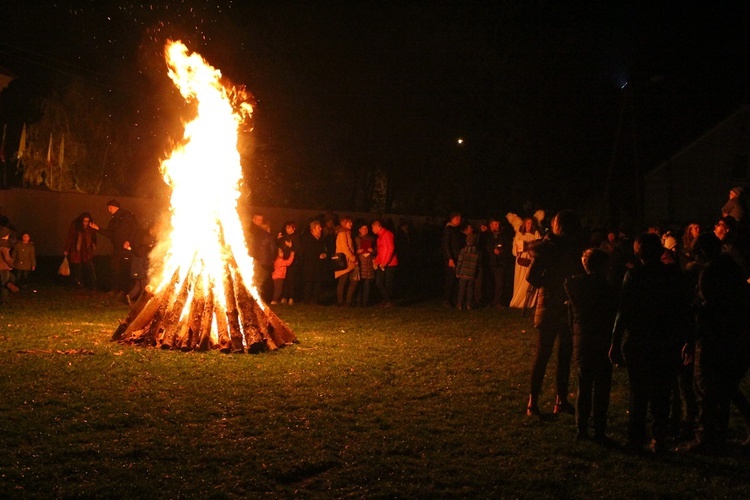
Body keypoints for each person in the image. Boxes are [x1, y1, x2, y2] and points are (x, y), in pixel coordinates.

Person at [610, 232, 692, 453]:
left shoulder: (634, 275)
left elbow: (623, 311)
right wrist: (685, 339)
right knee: (662, 391)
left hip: (640, 341)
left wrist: (615, 341)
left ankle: (636, 438)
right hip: (665, 340)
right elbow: (682, 310)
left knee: (638, 392)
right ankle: (658, 438)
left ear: (638, 252)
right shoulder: (672, 275)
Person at [678, 232, 750, 454]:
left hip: (712, 337)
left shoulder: (709, 272)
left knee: (705, 388)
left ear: (702, 252)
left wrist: (693, 307)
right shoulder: (732, 268)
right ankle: (718, 434)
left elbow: (707, 306)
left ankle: (705, 438)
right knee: (724, 387)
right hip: (732, 335)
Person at [525, 210, 584, 417]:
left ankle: (560, 401)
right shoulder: (547, 248)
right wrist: (552, 284)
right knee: (543, 354)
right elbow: (531, 277)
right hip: (549, 305)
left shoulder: (573, 248)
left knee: (564, 355)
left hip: (566, 306)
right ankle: (532, 402)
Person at [564, 248, 618, 443]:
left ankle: (582, 428)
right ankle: (600, 429)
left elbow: (571, 319)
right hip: (602, 342)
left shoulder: (574, 287)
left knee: (583, 386)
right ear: (603, 266)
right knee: (601, 388)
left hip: (582, 341)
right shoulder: (607, 289)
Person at [89, 200, 138, 298]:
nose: (108, 210)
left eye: (110, 207)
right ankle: (115, 290)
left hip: (126, 249)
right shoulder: (113, 220)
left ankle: (124, 291)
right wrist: (97, 228)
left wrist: (128, 241)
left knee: (124, 270)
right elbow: (109, 234)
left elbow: (134, 229)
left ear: (116, 207)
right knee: (115, 269)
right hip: (116, 249)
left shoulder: (127, 216)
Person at [509, 217, 541, 309]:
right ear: (524, 224)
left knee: (528, 279)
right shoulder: (519, 234)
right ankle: (518, 301)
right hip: (521, 259)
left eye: (531, 223)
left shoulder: (535, 234)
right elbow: (515, 247)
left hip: (530, 259)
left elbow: (539, 245)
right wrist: (518, 251)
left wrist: (532, 251)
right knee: (520, 280)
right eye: (528, 223)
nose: (529, 225)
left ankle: (529, 302)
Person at [483, 217, 512, 308]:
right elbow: (483, 246)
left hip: (500, 263)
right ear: (491, 225)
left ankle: (497, 301)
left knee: (499, 283)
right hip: (489, 262)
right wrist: (492, 250)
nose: (497, 226)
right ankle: (488, 301)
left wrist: (501, 251)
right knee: (489, 283)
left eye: (498, 224)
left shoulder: (504, 236)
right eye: (495, 224)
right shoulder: (486, 235)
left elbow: (508, 247)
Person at [63, 212, 97, 289]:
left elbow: (94, 237)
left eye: (87, 221)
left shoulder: (90, 227)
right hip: (76, 249)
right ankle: (78, 283)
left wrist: (93, 245)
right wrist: (67, 249)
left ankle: (92, 284)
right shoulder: (75, 225)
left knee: (88, 266)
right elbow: (70, 237)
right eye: (84, 221)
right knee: (77, 266)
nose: (86, 223)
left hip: (86, 250)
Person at [299, 219, 329, 305]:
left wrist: (325, 254)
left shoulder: (322, 239)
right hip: (310, 265)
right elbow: (307, 252)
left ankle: (315, 301)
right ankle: (307, 301)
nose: (321, 229)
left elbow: (325, 249)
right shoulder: (307, 239)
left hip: (319, 265)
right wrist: (317, 256)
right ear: (313, 229)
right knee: (309, 283)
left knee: (318, 283)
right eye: (318, 227)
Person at [249, 213, 276, 302]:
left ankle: (260, 298)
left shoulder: (263, 233)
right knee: (261, 280)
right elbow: (273, 249)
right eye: (258, 220)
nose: (259, 222)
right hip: (258, 261)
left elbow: (272, 248)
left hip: (261, 261)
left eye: (261, 220)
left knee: (262, 280)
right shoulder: (250, 231)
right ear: (253, 219)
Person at [372, 219, 398, 307]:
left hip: (390, 263)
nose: (372, 230)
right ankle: (387, 300)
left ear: (377, 227)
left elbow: (391, 248)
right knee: (379, 282)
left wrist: (385, 262)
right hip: (383, 263)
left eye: (373, 228)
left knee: (387, 283)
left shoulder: (387, 234)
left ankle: (388, 301)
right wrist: (376, 262)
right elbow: (380, 252)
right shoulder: (379, 237)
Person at [334, 216, 358, 306]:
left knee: (352, 281)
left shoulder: (347, 233)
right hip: (345, 262)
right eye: (349, 222)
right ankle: (341, 301)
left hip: (349, 261)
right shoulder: (342, 234)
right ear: (344, 223)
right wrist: (353, 258)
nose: (351, 224)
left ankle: (347, 301)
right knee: (343, 282)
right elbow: (345, 248)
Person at [441, 212, 464, 307]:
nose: (460, 221)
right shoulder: (449, 230)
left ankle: (453, 299)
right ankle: (447, 299)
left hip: (456, 257)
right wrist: (450, 258)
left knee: (455, 279)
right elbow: (446, 244)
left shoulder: (455, 230)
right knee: (450, 279)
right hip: (452, 258)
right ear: (454, 219)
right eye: (459, 219)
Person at [276, 221, 300, 304]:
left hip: (293, 262)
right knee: (284, 279)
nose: (287, 229)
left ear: (294, 228)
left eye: (289, 227)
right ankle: (284, 297)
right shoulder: (284, 237)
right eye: (286, 227)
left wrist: (291, 246)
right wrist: (278, 239)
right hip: (283, 261)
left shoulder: (296, 237)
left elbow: (300, 250)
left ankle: (291, 297)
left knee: (291, 279)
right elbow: (279, 246)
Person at [455, 232, 480, 310]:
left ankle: (459, 304)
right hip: (471, 274)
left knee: (462, 289)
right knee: (470, 290)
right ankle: (469, 304)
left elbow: (459, 262)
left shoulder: (463, 251)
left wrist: (457, 271)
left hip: (463, 273)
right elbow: (478, 264)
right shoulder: (476, 252)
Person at [354, 221, 376, 307]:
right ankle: (358, 301)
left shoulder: (372, 239)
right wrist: (357, 252)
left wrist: (372, 251)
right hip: (360, 263)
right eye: (363, 228)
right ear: (359, 230)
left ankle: (365, 302)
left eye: (366, 228)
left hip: (369, 263)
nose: (365, 230)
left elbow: (375, 250)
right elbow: (353, 250)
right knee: (359, 284)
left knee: (367, 284)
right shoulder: (356, 239)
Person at [0, 226, 15, 303]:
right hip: (3, 268)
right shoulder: (4, 245)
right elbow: (7, 258)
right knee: (4, 283)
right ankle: (4, 300)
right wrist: (11, 265)